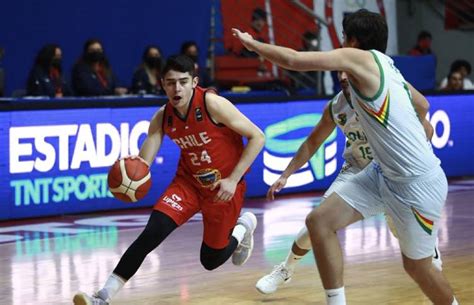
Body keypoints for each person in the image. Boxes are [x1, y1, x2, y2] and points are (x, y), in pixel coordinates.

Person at [233, 8, 458, 305]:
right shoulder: (386, 64)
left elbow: (294, 60)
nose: (340, 44)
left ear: (352, 41)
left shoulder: (358, 58)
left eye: (343, 38)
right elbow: (424, 103)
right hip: (381, 173)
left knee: (417, 268)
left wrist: (254, 44)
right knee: (318, 222)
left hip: (414, 184)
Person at [73, 55, 265, 305]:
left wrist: (233, 179)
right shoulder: (163, 117)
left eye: (183, 82)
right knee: (151, 233)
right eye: (171, 83)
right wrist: (131, 174)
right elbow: (143, 165)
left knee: (210, 260)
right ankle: (102, 296)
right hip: (188, 184)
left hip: (223, 187)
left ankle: (243, 227)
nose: (177, 88)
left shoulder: (212, 104)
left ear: (194, 82)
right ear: (162, 84)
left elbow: (257, 137)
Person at [256, 72, 442, 295]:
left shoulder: (384, 97)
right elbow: (313, 141)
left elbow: (428, 130)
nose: (343, 76)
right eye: (339, 71)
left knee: (421, 255)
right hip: (356, 171)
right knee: (315, 224)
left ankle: (432, 266)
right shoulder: (336, 106)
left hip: (393, 175)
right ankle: (285, 269)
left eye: (348, 72)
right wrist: (286, 174)